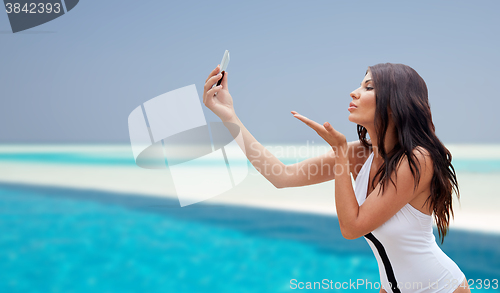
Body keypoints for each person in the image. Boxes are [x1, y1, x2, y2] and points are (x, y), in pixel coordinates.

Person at [203, 62, 470, 293]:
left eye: (368, 87)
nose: (354, 92)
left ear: (393, 103)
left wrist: (340, 154)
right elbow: (280, 176)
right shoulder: (359, 154)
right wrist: (229, 116)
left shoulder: (417, 160)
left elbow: (352, 227)